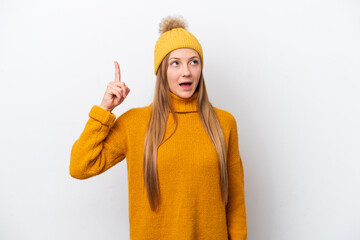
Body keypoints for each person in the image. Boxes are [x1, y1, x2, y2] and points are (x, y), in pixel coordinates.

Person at [70, 15, 247, 240]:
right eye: (175, 63)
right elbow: (80, 166)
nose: (187, 71)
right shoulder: (135, 123)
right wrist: (105, 109)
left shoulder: (224, 123)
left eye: (194, 61)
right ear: (161, 70)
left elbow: (236, 204)